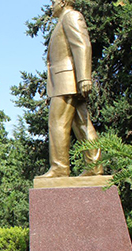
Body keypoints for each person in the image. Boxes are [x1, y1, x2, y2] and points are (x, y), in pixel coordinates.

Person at [37, 0, 103, 179]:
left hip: (67, 80)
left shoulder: (71, 16)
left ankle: (59, 168)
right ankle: (95, 166)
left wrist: (84, 78)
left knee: (57, 122)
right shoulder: (63, 21)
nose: (52, 6)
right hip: (67, 80)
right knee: (82, 123)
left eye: (54, 2)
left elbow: (82, 45)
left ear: (64, 2)